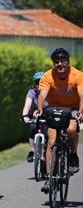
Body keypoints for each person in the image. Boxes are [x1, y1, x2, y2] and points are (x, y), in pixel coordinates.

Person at [37, 48, 83, 194]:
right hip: (54, 108)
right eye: (57, 62)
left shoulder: (77, 75)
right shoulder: (47, 76)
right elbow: (42, 95)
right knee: (51, 142)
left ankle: (73, 155)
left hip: (73, 108)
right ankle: (49, 178)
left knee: (70, 129)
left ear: (68, 62)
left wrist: (80, 113)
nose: (60, 64)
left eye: (63, 61)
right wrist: (39, 109)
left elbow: (82, 96)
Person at [22, 72, 48, 162]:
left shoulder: (50, 92)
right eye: (37, 82)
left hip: (47, 114)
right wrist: (25, 116)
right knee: (33, 127)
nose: (39, 85)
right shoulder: (32, 92)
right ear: (34, 84)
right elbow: (27, 105)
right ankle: (32, 149)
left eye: (42, 82)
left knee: (47, 132)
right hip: (35, 115)